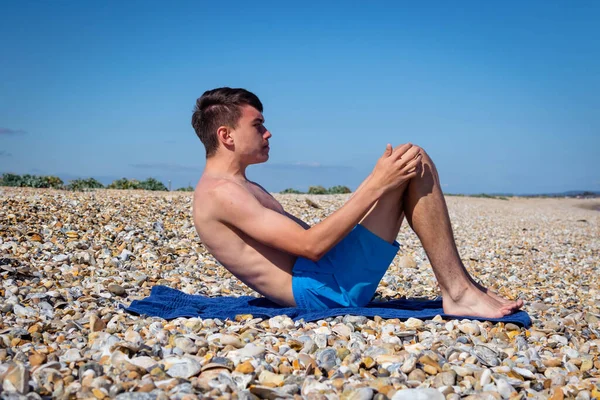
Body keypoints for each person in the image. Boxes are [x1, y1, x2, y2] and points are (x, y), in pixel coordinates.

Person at [191, 87, 523, 318]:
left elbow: (310, 245)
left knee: (410, 159)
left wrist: (378, 183)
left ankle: (464, 287)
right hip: (321, 292)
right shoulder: (221, 193)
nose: (268, 133)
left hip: (324, 276)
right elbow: (311, 246)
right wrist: (376, 184)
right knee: (413, 159)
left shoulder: (240, 185)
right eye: (258, 125)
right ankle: (459, 292)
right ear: (226, 135)